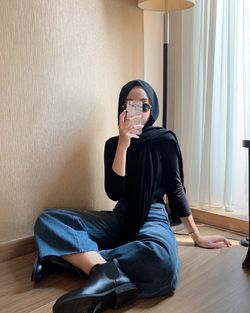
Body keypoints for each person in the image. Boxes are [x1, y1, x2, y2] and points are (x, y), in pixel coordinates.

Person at [32, 80, 231, 313]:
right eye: (131, 105)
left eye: (144, 105)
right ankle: (101, 272)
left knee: (162, 262)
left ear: (152, 109)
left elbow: (175, 188)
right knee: (48, 221)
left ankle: (68, 260)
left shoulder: (164, 139)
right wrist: (124, 144)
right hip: (121, 214)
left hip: (153, 214)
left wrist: (196, 236)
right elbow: (115, 192)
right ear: (122, 109)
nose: (138, 111)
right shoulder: (113, 145)